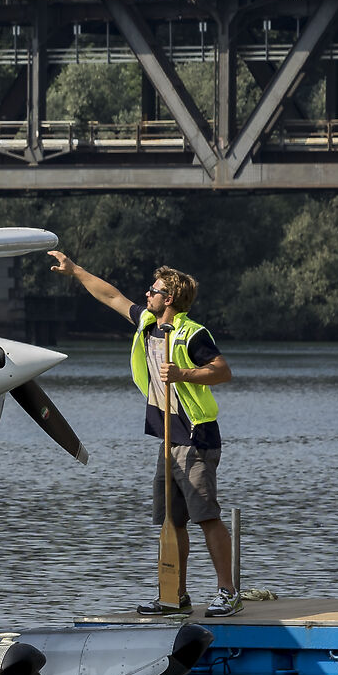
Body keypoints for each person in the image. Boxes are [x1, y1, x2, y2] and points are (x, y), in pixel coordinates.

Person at [49, 252, 239, 615]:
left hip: (196, 438)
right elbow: (110, 296)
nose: (145, 294)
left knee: (207, 517)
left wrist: (182, 374)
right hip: (168, 438)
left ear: (168, 298)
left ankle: (227, 592)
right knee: (173, 520)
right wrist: (75, 271)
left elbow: (222, 371)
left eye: (153, 290)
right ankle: (175, 594)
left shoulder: (191, 334)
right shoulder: (146, 322)